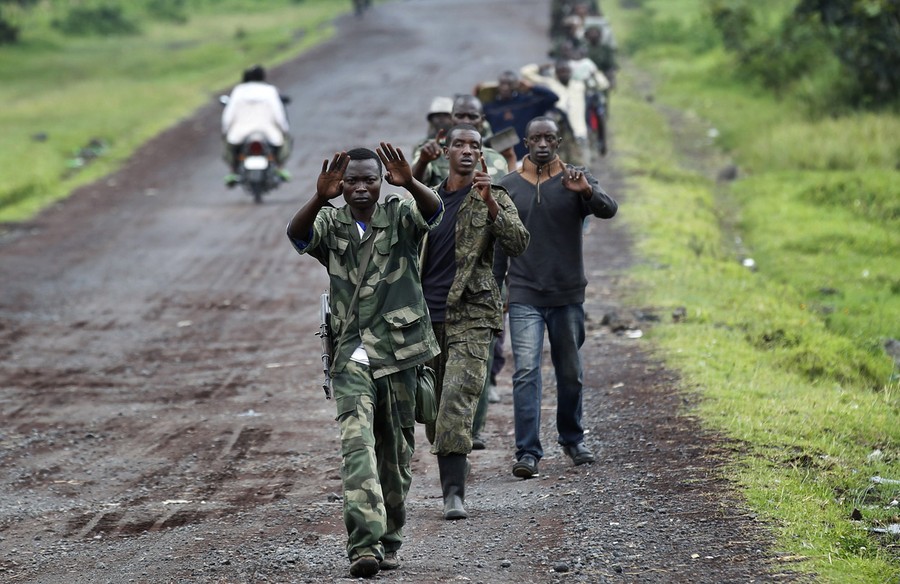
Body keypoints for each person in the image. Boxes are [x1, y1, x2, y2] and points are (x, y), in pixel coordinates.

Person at [286, 144, 442, 578]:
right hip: (351, 355)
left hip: (399, 352)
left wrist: (411, 182)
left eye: (369, 180)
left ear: (380, 182)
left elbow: (433, 213)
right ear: (341, 185)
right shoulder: (329, 222)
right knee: (357, 447)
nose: (360, 187)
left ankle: (389, 539)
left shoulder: (400, 215)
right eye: (351, 181)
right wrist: (319, 197)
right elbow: (297, 235)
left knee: (396, 455)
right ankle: (363, 546)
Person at [492, 116, 617, 480]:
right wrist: (496, 292)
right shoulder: (507, 187)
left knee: (570, 372)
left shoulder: (575, 178)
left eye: (549, 138)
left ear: (558, 142)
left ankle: (572, 439)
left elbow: (609, 209)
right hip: (525, 294)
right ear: (526, 143)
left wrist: (586, 192)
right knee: (526, 372)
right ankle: (528, 452)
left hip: (567, 294)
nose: (543, 144)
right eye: (536, 138)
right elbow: (499, 244)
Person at [421, 124, 529, 519]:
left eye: (474, 146)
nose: (467, 151)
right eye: (459, 144)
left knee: (455, 401)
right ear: (446, 152)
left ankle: (454, 495)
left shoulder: (493, 195)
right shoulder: (428, 200)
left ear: (481, 155)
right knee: (432, 413)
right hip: (426, 318)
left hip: (473, 315)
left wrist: (491, 205)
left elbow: (518, 243)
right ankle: (454, 463)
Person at [412, 94, 513, 187]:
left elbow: (505, 195)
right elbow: (412, 184)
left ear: (482, 121)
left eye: (472, 117)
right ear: (451, 119)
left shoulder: (496, 158)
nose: (466, 121)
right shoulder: (433, 151)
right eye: (460, 116)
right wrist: (423, 161)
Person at [221, 64, 292, 186]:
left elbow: (228, 116)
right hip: (268, 131)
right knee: (285, 141)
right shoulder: (270, 91)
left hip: (240, 131)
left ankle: (232, 171)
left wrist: (225, 131)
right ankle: (280, 168)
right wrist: (285, 129)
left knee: (228, 145)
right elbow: (278, 114)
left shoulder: (238, 91)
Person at [520, 59, 590, 166]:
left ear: (571, 71)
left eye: (566, 71)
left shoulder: (579, 85)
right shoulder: (550, 84)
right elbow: (526, 73)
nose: (564, 74)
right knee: (560, 167)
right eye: (561, 71)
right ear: (556, 73)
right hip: (560, 132)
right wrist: (543, 66)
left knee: (582, 166)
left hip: (579, 131)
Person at [480, 70, 559, 160]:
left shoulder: (528, 102)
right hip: (500, 158)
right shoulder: (490, 108)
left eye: (509, 84)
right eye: (502, 84)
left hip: (527, 156)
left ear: (516, 85)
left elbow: (553, 97)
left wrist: (531, 87)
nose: (505, 87)